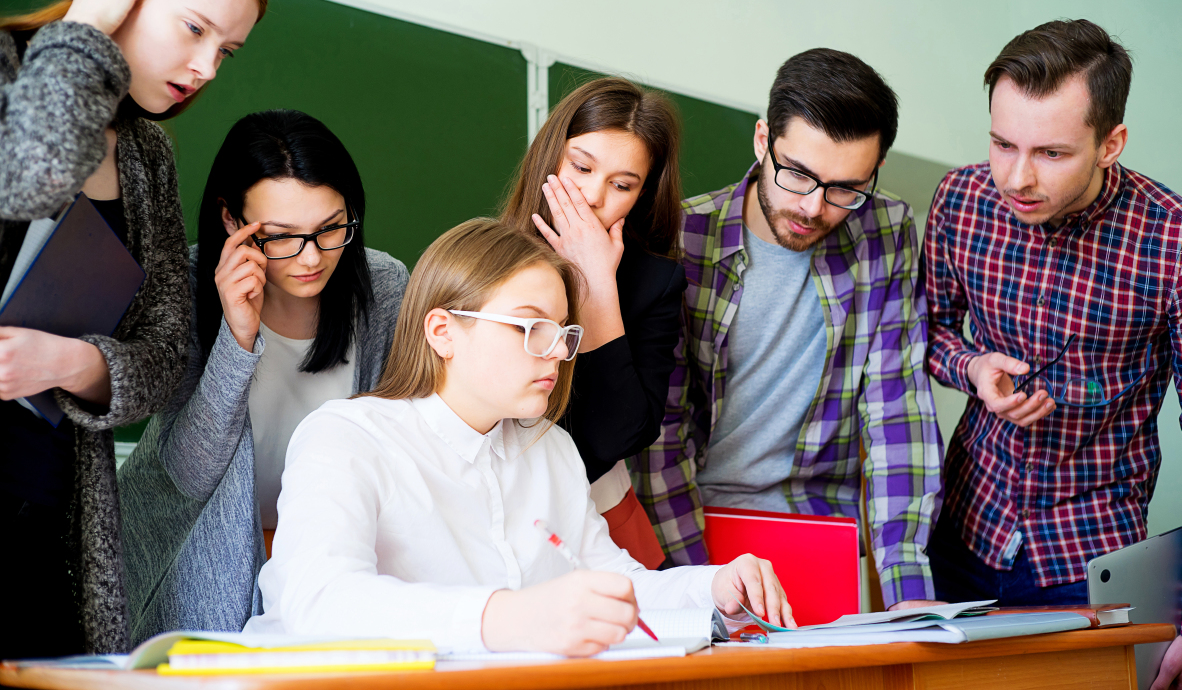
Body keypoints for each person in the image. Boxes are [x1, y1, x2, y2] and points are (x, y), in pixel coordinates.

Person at [243, 218, 793, 654]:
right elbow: (320, 601)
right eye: (532, 328)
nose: (556, 351)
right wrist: (506, 616)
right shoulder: (346, 438)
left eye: (563, 332)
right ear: (443, 332)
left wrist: (714, 589)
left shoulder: (547, 446)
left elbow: (609, 580)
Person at [0, 0, 266, 657]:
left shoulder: (148, 154)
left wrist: (74, 363)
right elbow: (32, 176)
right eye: (194, 30)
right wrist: (85, 32)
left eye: (229, 51)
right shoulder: (9, 69)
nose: (208, 68)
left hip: (54, 517)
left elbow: (162, 353)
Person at [923, 19, 1182, 690]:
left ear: (1111, 143)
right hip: (960, 538)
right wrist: (972, 368)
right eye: (1001, 143)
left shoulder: (1178, 245)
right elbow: (923, 333)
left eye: (1050, 153)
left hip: (1088, 563)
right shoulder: (960, 201)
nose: (1016, 177)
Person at [630, 49, 943, 611]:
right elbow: (662, 436)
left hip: (820, 530)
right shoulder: (684, 238)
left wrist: (907, 592)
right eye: (796, 174)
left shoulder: (885, 228)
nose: (813, 206)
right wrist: (701, 585)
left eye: (846, 188)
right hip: (697, 525)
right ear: (761, 141)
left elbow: (899, 411)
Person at [117, 109, 409, 644]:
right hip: (189, 553)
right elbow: (188, 474)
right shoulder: (184, 283)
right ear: (232, 221)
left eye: (331, 228)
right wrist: (237, 336)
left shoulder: (385, 286)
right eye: (281, 236)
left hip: (324, 557)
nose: (313, 256)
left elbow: (397, 446)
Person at [501, 76, 684, 568]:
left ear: (641, 196)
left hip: (601, 515)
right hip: (496, 511)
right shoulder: (487, 260)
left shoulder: (655, 282)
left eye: (622, 185)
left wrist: (595, 287)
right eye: (581, 166)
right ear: (550, 156)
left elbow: (617, 438)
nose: (592, 195)